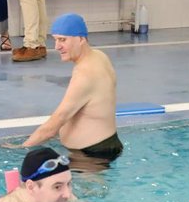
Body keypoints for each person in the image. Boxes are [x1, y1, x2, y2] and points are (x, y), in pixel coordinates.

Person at [7, 14, 124, 162]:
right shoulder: (99, 56)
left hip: (92, 157)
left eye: (63, 40)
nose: (57, 46)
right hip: (102, 146)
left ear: (81, 39)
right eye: (55, 39)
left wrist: (21, 148)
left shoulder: (85, 75)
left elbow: (54, 125)